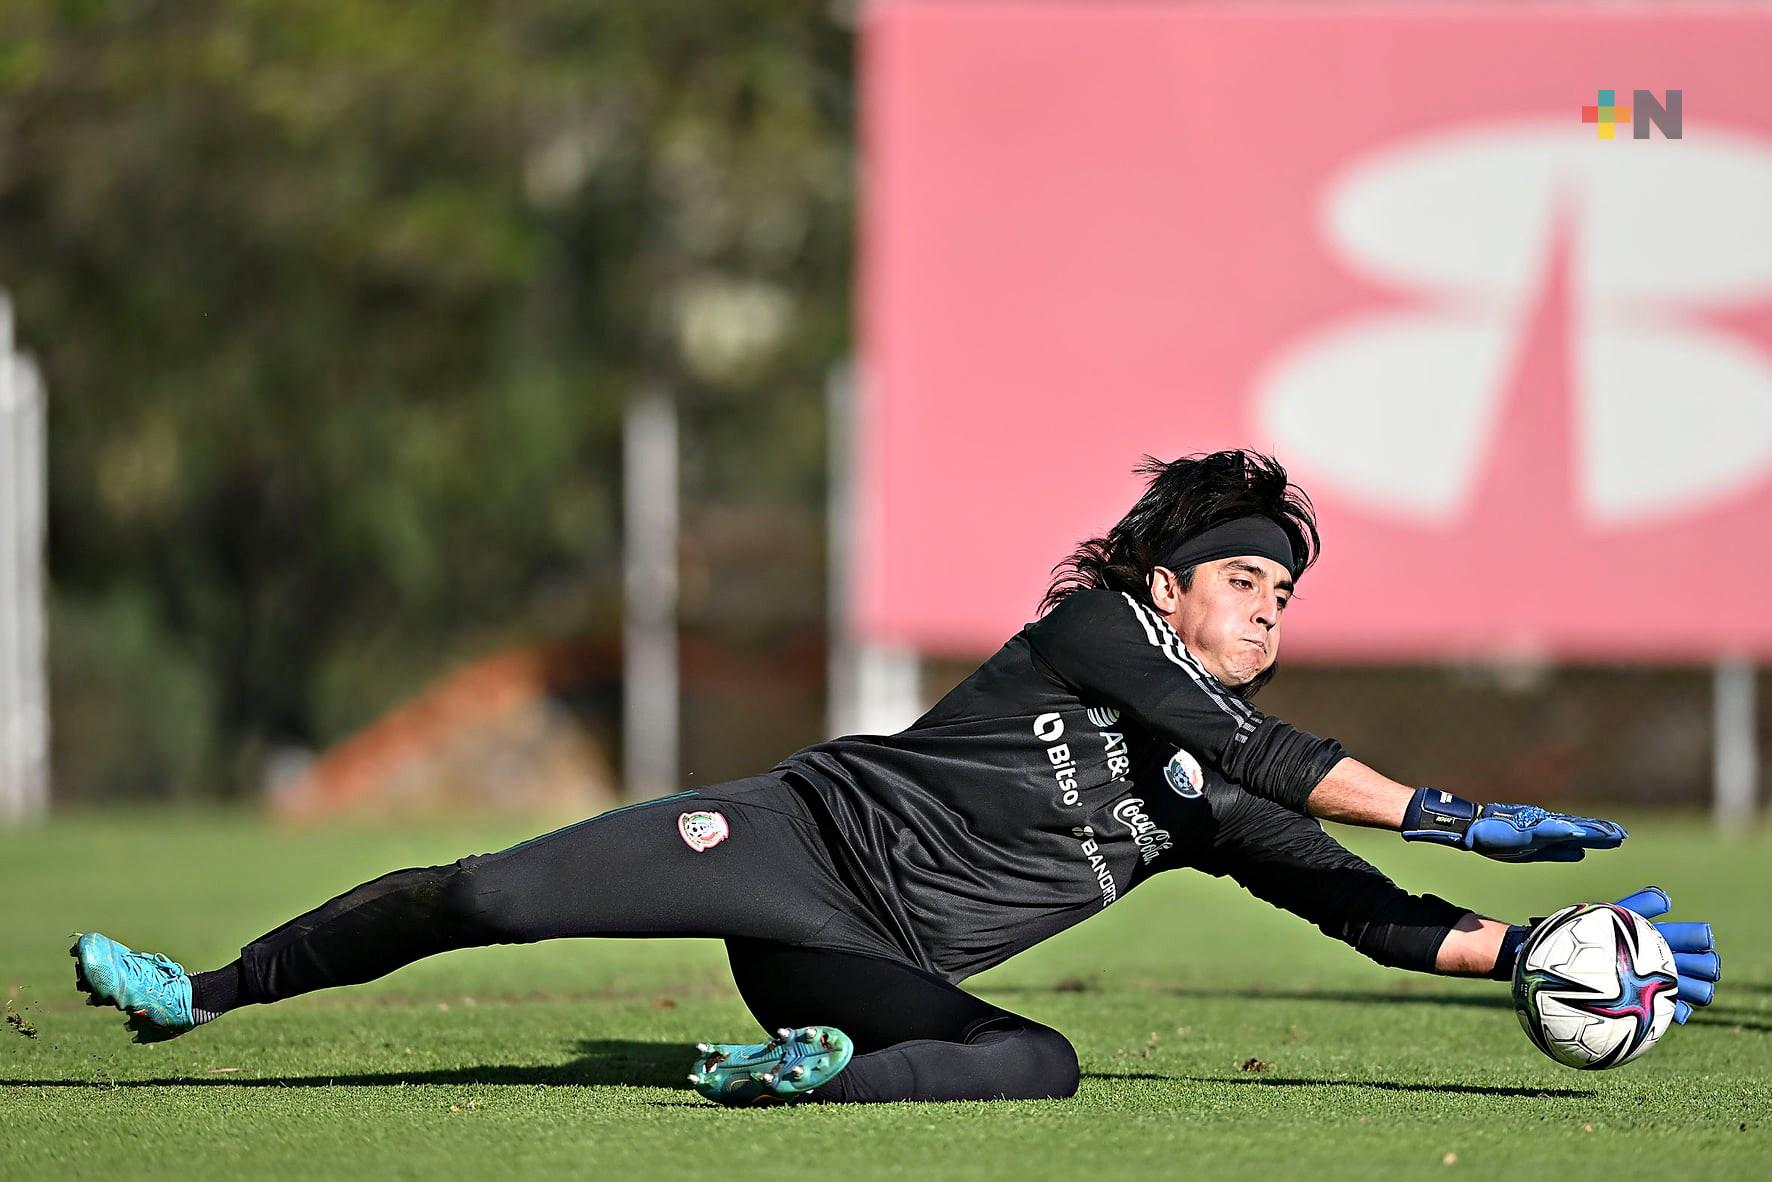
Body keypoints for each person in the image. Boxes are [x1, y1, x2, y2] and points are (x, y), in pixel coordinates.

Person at [71, 450, 1720, 1105]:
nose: (1270, 605)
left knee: (1041, 1063)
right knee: (494, 890)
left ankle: (791, 1071)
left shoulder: (1226, 798)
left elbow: (1366, 914)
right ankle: (203, 992)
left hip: (868, 962)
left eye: (1286, 596)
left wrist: (1538, 950)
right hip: (789, 843)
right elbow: (1256, 747)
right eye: (1247, 578)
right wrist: (1446, 801)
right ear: (1170, 588)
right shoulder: (1096, 630)